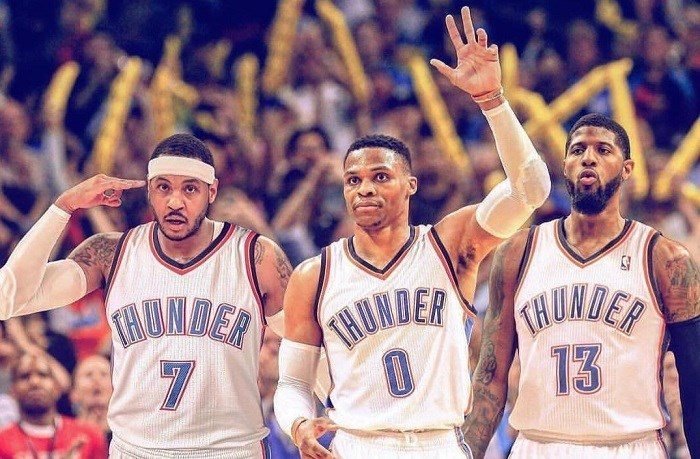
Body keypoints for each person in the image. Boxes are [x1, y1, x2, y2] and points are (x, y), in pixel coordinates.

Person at [273, 6, 551, 458]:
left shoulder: (448, 245)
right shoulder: (315, 275)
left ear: (410, 185)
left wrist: (493, 102)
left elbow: (531, 189)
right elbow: (292, 383)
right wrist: (298, 423)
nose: (365, 188)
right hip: (357, 445)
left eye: (380, 176)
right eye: (353, 180)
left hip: (438, 442)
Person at [0, 133, 292, 457]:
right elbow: (8, 298)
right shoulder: (110, 254)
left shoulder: (256, 257)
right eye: (164, 187)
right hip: (138, 450)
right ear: (149, 189)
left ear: (212, 191)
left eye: (190, 189)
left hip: (230, 450)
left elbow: (306, 344)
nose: (175, 202)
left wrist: (313, 416)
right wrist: (63, 206)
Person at [462, 113, 700, 458]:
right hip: (538, 445)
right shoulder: (517, 252)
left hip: (630, 446)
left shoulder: (664, 258)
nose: (588, 158)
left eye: (603, 150)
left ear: (627, 169)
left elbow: (694, 380)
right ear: (564, 166)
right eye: (578, 150)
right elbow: (490, 379)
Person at [0, 352, 108, 458]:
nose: (35, 382)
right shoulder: (2, 442)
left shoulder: (89, 436)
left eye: (43, 375)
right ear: (13, 391)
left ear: (57, 387)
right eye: (25, 376)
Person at [70, 354, 112, 440]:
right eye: (88, 375)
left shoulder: (127, 432)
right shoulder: (65, 434)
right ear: (74, 393)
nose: (96, 379)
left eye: (103, 374)